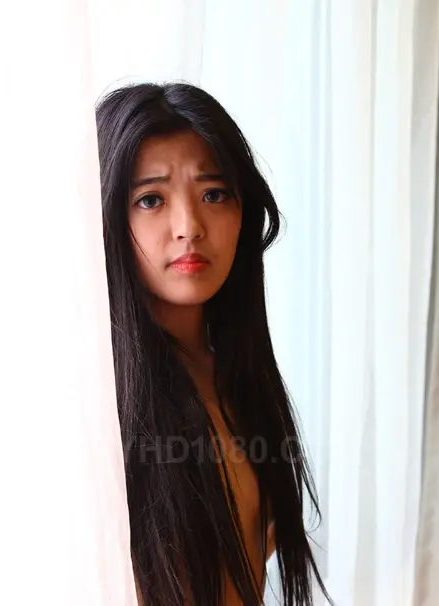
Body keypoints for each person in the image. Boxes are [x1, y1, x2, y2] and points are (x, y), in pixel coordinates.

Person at [95, 82, 330, 606]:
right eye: (151, 199)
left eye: (214, 194)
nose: (189, 227)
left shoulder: (236, 376)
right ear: (106, 217)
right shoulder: (96, 401)